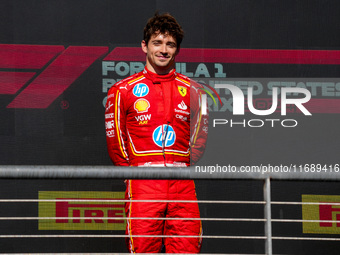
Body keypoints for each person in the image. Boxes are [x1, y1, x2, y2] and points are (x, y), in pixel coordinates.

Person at [105, 12, 208, 253]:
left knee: (188, 249)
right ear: (144, 46)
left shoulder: (195, 91)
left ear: (177, 49)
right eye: (157, 43)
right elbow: (116, 144)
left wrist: (180, 166)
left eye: (170, 44)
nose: (164, 50)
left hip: (182, 182)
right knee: (143, 249)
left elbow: (199, 141)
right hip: (143, 183)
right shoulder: (122, 90)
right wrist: (135, 175)